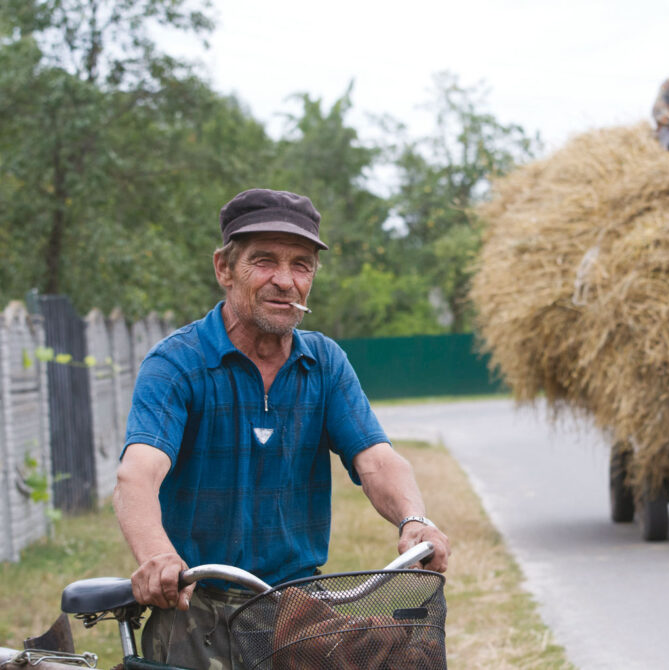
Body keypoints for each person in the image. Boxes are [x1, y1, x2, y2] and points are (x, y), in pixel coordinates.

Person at [113, 188, 451, 669]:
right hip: (196, 607)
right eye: (265, 261)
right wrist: (158, 557)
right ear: (224, 269)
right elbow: (138, 474)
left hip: (296, 606)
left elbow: (376, 458)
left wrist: (416, 520)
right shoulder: (179, 363)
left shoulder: (325, 363)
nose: (285, 281)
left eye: (302, 264)